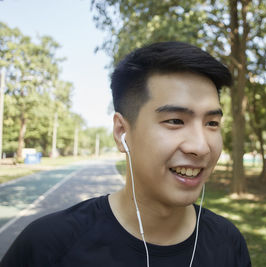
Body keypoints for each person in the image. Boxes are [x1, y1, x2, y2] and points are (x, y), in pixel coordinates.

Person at [1, 41, 252, 267]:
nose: (200, 146)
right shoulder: (48, 246)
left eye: (212, 124)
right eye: (175, 120)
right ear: (122, 131)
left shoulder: (228, 243)